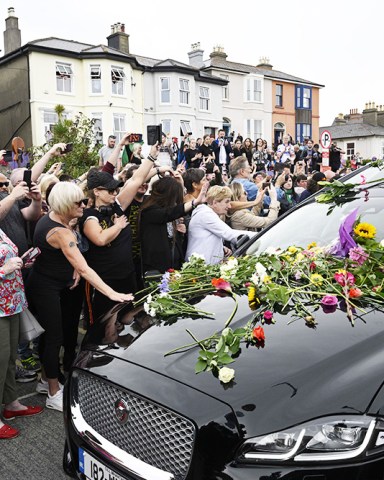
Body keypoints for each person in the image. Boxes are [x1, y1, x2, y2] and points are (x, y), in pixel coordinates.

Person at [26, 182, 134, 412]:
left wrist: (71, 267)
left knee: (57, 334)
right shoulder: (60, 232)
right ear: (65, 205)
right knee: (55, 337)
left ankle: (46, 380)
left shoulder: (58, 218)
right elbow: (84, 268)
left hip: (55, 282)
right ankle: (53, 392)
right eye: (79, 202)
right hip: (46, 287)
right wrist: (112, 292)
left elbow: (70, 258)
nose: (85, 205)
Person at [0, 228, 44, 439]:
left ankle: (11, 403)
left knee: (9, 359)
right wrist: (4, 269)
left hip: (12, 302)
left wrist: (20, 262)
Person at [139, 175, 208, 274]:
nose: (176, 202)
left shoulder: (169, 211)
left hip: (173, 266)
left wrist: (180, 232)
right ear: (168, 196)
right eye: (174, 197)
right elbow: (170, 213)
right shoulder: (149, 211)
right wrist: (195, 202)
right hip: (157, 270)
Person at [186, 185, 256, 265]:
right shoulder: (205, 215)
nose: (229, 206)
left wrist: (220, 247)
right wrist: (262, 235)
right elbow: (229, 234)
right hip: (198, 266)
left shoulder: (207, 213)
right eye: (226, 202)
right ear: (215, 202)